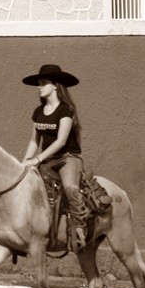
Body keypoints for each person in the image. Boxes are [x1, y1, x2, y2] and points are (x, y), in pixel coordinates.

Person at [21, 64, 89, 247]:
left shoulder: (65, 110)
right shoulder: (38, 112)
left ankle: (79, 228)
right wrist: (25, 163)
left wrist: (37, 159)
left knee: (70, 188)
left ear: (55, 85)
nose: (39, 87)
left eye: (43, 83)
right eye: (38, 83)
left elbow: (60, 141)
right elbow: (34, 141)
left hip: (68, 158)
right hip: (47, 160)